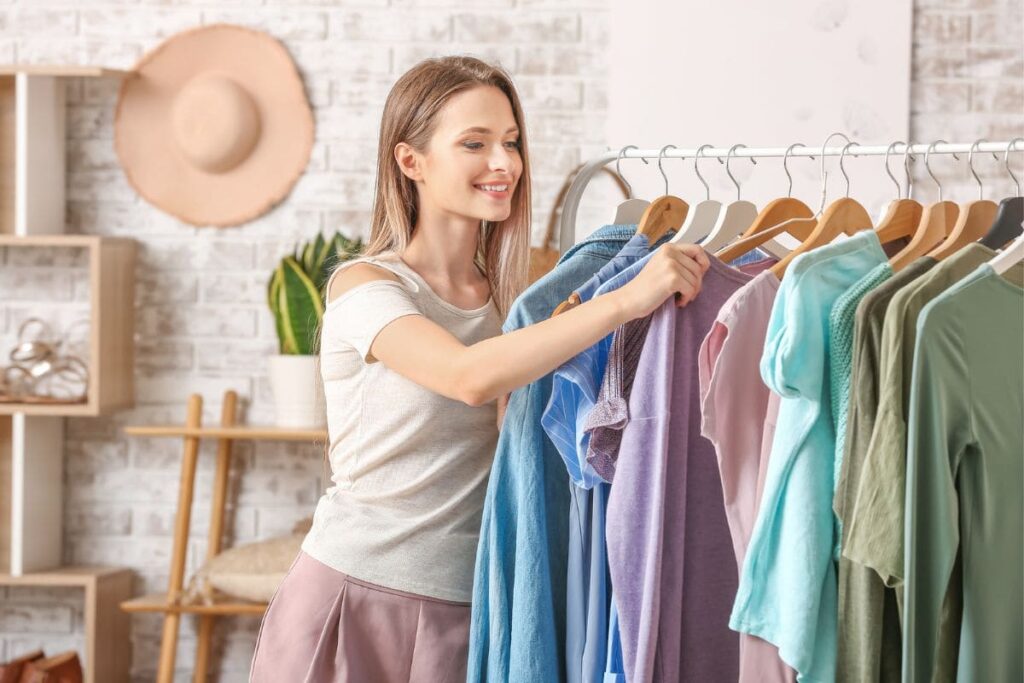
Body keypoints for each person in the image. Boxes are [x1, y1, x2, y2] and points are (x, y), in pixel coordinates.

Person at [249, 55, 708, 683]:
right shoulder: (365, 287)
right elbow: (467, 376)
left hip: (476, 602)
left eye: (512, 142)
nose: (506, 164)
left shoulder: (511, 304)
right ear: (410, 161)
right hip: (356, 594)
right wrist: (626, 299)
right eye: (476, 143)